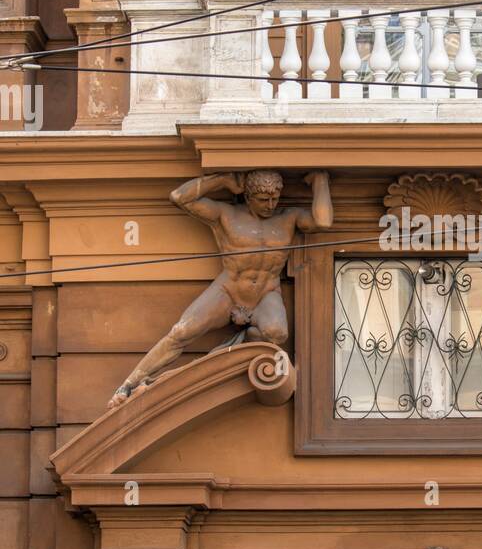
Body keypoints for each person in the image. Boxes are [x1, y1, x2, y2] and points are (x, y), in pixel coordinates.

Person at [108, 169, 333, 407]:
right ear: (247, 197)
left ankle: (243, 336)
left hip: (266, 292)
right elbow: (179, 197)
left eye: (274, 198)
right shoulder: (227, 215)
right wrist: (223, 180)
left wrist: (320, 181)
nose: (270, 205)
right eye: (263, 199)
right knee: (181, 332)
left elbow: (323, 221)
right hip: (229, 289)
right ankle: (129, 385)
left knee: (277, 333)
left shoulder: (288, 218)